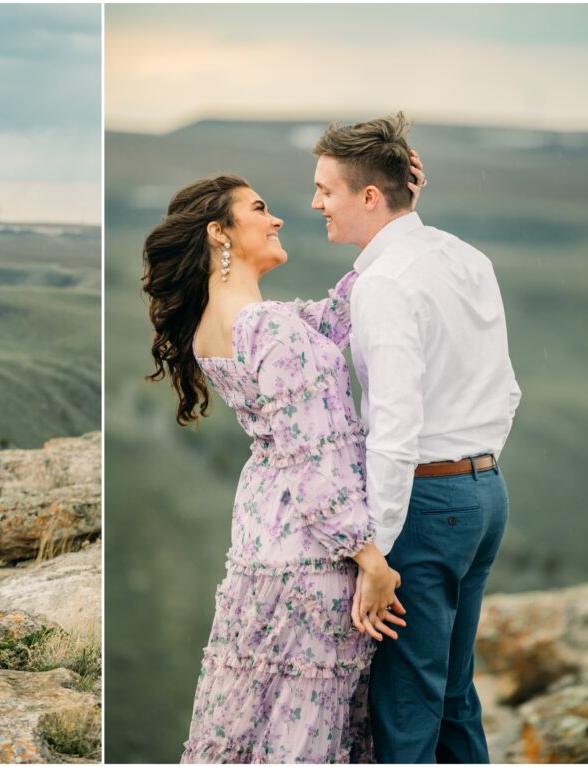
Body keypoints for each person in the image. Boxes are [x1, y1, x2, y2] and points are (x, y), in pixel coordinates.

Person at [142, 158, 424, 762]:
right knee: (307, 726)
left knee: (260, 711)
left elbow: (338, 314)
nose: (277, 220)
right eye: (259, 210)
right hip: (311, 553)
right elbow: (312, 455)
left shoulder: (226, 326)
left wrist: (397, 213)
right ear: (219, 232)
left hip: (263, 545)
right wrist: (369, 559)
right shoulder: (268, 327)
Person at [310, 112, 520, 763]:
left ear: (370, 196)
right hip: (485, 495)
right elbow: (506, 388)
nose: (316, 202)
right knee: (454, 697)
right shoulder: (465, 257)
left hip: (426, 509)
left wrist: (376, 551)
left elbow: (394, 431)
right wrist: (472, 473)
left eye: (326, 188)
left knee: (405, 714)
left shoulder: (386, 285)